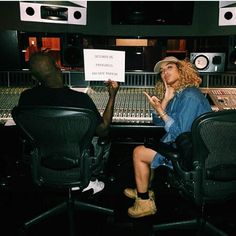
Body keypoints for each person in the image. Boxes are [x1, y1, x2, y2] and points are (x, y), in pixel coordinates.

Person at [17, 52, 120, 194]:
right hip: (77, 161)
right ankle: (87, 178)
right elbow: (103, 130)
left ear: (34, 77)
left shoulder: (26, 98)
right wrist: (112, 96)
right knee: (104, 140)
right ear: (58, 67)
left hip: (43, 161)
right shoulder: (80, 100)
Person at [124, 56, 212, 218]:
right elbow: (157, 121)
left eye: (169, 68)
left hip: (192, 154)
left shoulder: (189, 96)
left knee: (139, 153)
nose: (164, 73)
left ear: (181, 69)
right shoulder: (179, 94)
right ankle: (143, 189)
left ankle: (144, 202)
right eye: (162, 71)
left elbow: (180, 134)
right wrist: (165, 99)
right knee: (151, 144)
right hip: (186, 146)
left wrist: (162, 112)